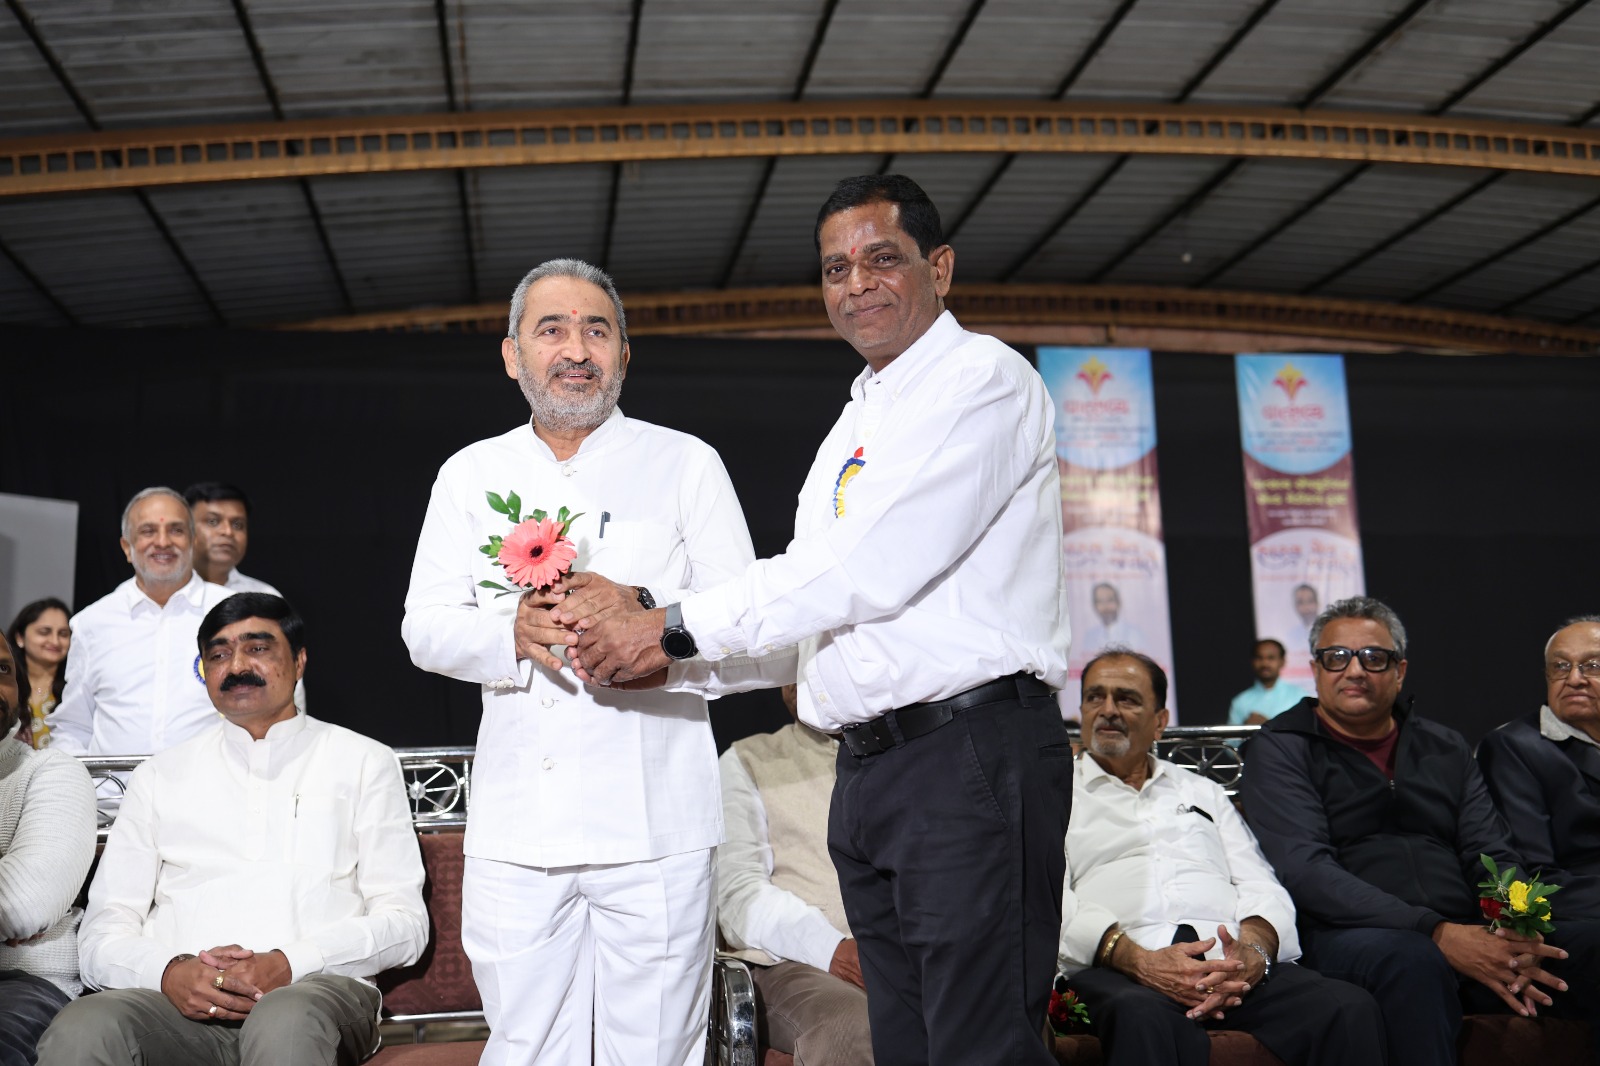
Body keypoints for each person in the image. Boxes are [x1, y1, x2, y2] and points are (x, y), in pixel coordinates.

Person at [562, 175, 1073, 1066]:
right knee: (903, 1049)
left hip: (967, 755)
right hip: (871, 769)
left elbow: (862, 570)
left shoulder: (983, 379)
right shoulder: (858, 416)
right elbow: (815, 622)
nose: (857, 284)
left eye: (883, 259)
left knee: (979, 1046)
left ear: (940, 268)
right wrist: (675, 661)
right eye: (836, 268)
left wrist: (664, 623)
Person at [403, 258, 791, 1066]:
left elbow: (758, 638)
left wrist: (647, 615)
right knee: (525, 1050)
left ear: (625, 354)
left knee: (655, 1053)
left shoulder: (686, 463)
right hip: (518, 828)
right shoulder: (470, 474)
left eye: (597, 330)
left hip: (657, 825)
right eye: (551, 330)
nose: (576, 350)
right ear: (512, 355)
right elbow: (424, 630)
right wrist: (511, 631)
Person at [38, 593, 426, 1066]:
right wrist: (168, 972)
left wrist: (289, 962)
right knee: (84, 1026)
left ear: (299, 661)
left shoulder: (363, 761)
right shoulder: (158, 776)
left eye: (258, 648)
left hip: (315, 994)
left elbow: (406, 924)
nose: (237, 666)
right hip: (177, 1010)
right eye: (219, 655)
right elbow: (104, 930)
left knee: (285, 1019)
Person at [1243, 595, 1591, 1066]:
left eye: (1373, 657)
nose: (1354, 670)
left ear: (1400, 671)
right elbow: (1307, 872)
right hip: (1346, 933)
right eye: (1337, 657)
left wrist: (1517, 926)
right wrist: (1436, 932)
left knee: (1586, 947)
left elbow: (1491, 850)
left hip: (1466, 926)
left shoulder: (1443, 745)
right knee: (1412, 960)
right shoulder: (1281, 748)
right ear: (1316, 669)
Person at [1059, 647, 1382, 1066]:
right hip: (1119, 965)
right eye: (1094, 697)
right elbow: (1049, 896)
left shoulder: (1203, 791)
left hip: (1226, 964)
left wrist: (1253, 953)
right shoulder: (1057, 795)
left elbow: (1258, 880)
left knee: (1347, 1008)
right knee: (1139, 1017)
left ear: (1160, 721)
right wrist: (1135, 960)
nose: (1107, 710)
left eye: (1127, 699)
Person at [718, 684, 871, 1066]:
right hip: (794, 964)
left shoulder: (912, 755)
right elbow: (738, 894)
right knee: (853, 1028)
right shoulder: (747, 760)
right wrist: (832, 950)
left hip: (911, 954)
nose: (796, 679)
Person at [49, 487, 235, 756]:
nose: (163, 542)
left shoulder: (234, 613)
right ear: (127, 547)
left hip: (213, 781)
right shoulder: (92, 623)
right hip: (114, 784)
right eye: (148, 531)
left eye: (176, 530)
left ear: (194, 541)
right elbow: (73, 727)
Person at [0, 634, 97, 1066]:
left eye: (2, 670)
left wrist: (12, 907)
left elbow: (21, 905)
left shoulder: (52, 773)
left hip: (21, 980)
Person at [1478, 615, 1600, 918]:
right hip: (1576, 911)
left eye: (1592, 666)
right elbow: (1533, 875)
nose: (1574, 679)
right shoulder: (1512, 746)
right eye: (1560, 666)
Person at [183, 483, 283, 595]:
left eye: (237, 525)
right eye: (213, 521)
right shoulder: (168, 591)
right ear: (185, 528)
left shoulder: (264, 596)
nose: (228, 532)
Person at [6, 598, 72, 749]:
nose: (55, 641)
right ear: (20, 637)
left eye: (63, 634)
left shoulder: (74, 688)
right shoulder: (5, 686)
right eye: (44, 632)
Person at [1226, 639, 1308, 726]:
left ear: (1282, 661)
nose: (1265, 663)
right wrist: (1245, 727)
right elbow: (1233, 735)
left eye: (1271, 658)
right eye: (1259, 658)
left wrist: (1268, 724)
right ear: (1252, 661)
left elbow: (1308, 731)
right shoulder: (1240, 701)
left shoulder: (1300, 697)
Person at [1077, 583, 1148, 657]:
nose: (1106, 606)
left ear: (1118, 602)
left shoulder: (1134, 634)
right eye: (1100, 601)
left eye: (1110, 600)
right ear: (1095, 606)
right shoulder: (1090, 636)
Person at [1283, 584, 1319, 661]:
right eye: (1301, 602)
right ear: (1295, 606)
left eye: (1310, 601)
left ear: (1317, 603)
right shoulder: (1291, 635)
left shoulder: (1327, 630)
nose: (1306, 607)